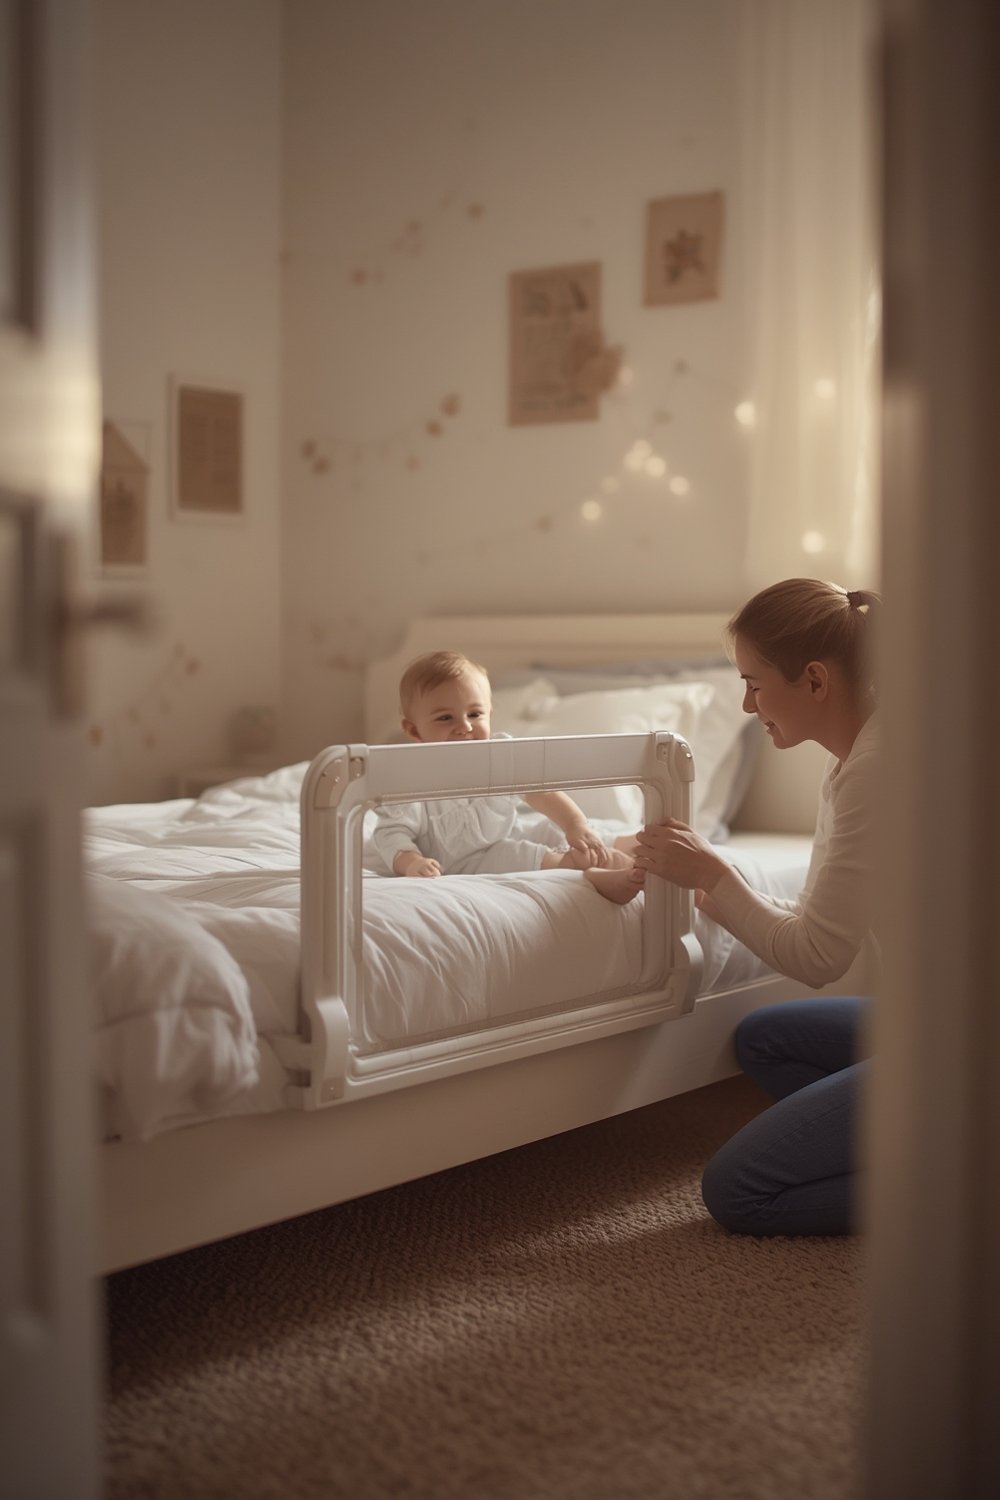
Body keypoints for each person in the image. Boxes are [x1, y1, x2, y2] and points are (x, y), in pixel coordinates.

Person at [588, 578, 881, 1236]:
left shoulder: (876, 771)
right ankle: (927, 1137)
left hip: (967, 1041)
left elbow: (818, 957)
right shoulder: (851, 760)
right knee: (765, 1039)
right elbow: (813, 916)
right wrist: (709, 894)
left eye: (754, 683)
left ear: (814, 679)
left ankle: (960, 1184)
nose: (748, 704)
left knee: (738, 1190)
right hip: (935, 1023)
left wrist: (717, 875)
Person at [370, 650, 631, 878]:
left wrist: (575, 825)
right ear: (414, 730)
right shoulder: (409, 776)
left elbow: (540, 792)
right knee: (512, 855)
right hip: (460, 861)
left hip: (505, 831)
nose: (465, 726)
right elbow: (392, 835)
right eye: (445, 718)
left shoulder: (500, 755)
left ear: (489, 714)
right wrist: (412, 863)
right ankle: (570, 864)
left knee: (544, 828)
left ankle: (617, 844)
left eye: (474, 714)